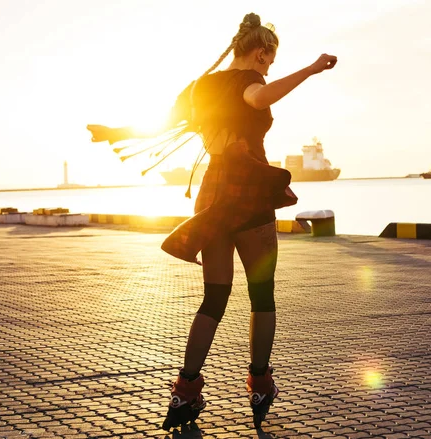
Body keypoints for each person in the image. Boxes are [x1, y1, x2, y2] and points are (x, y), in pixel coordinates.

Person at [88, 12, 337, 430]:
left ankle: (185, 392)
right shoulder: (249, 83)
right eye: (269, 62)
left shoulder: (201, 86)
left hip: (212, 193)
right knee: (262, 296)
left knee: (214, 299)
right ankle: (260, 384)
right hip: (249, 190)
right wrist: (311, 69)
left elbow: (163, 124)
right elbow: (258, 99)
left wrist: (114, 132)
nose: (268, 70)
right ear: (260, 53)